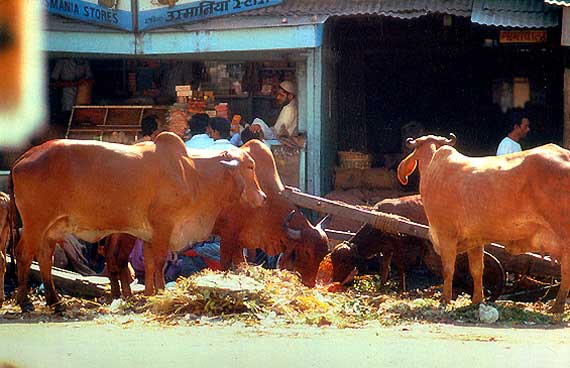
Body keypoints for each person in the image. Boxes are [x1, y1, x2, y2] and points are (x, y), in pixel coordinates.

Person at [51, 58, 93, 123]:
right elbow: (53, 83)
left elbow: (90, 79)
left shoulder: (84, 61)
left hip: (81, 106)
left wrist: (86, 82)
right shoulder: (62, 61)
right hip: (66, 104)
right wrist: (75, 83)